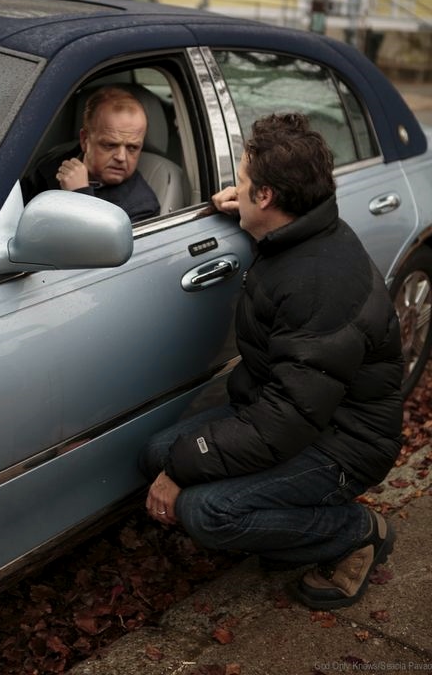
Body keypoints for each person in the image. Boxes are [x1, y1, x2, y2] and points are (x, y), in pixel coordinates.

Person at [140, 112, 403, 610]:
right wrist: (239, 206)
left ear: (268, 197)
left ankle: (356, 530)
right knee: (158, 451)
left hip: (345, 443)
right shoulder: (302, 231)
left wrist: (183, 471)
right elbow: (285, 407)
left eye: (242, 182)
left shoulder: (320, 285)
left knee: (206, 511)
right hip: (294, 411)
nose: (233, 190)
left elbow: (284, 424)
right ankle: (283, 516)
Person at [33, 86, 160, 222]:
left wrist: (80, 196)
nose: (121, 157)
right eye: (110, 145)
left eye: (132, 148)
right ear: (84, 139)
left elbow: (93, 243)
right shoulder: (51, 164)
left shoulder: (142, 207)